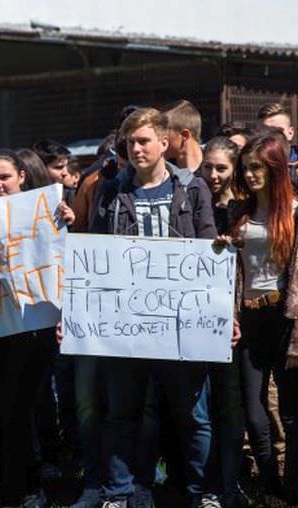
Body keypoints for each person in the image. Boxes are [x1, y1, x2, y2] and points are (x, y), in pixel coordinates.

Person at [88, 108, 217, 508]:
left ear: (165, 142)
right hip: (126, 326)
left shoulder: (192, 189)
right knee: (122, 413)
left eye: (144, 141)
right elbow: (94, 253)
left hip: (182, 324)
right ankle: (120, 492)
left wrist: (221, 315)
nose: (137, 148)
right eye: (131, 142)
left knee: (192, 415)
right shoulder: (111, 191)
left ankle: (201, 492)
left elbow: (210, 246)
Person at [228, 131, 298, 506]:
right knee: (254, 413)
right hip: (249, 318)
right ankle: (270, 486)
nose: (250, 175)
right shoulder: (240, 212)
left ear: (275, 169)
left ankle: (290, 490)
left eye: (257, 168)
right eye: (246, 168)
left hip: (284, 316)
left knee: (290, 412)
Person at [0, 148, 73, 508]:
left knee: (27, 408)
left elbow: (65, 257)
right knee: (3, 410)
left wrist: (70, 219)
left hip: (34, 327)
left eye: (4, 176)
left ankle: (29, 485)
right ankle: (10, 484)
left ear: (21, 176)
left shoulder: (45, 211)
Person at [199, 137, 246, 506]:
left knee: (231, 407)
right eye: (208, 168)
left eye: (221, 168)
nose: (213, 175)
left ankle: (230, 485)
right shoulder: (195, 203)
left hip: (234, 322)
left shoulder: (245, 209)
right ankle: (208, 484)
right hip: (199, 318)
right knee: (205, 408)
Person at [257, 103, 298, 183]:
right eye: (266, 132)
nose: (272, 137)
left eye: (278, 131)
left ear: (290, 133)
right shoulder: (250, 165)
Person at [163, 100, 203, 172]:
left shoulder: (213, 170)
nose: (158, 138)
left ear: (185, 135)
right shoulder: (165, 173)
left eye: (163, 132)